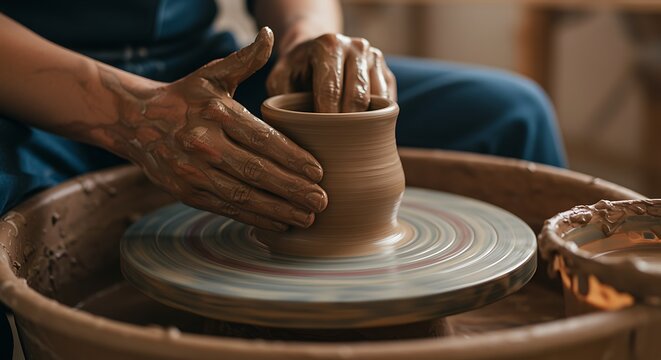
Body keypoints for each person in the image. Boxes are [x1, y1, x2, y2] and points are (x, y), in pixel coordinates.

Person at [0, 0, 566, 354]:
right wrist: (128, 113)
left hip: (200, 67)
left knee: (512, 115)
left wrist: (305, 37)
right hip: (36, 90)